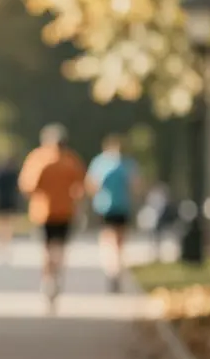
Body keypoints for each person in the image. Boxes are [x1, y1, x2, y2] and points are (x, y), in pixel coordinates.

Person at [18, 124, 86, 312]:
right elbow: (81, 186)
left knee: (46, 248)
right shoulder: (71, 160)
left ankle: (48, 279)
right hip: (65, 211)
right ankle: (56, 275)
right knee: (60, 247)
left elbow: (28, 186)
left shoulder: (38, 158)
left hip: (43, 212)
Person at [86, 133, 141, 293]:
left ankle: (111, 268)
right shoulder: (127, 164)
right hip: (123, 207)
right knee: (120, 241)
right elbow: (136, 185)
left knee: (107, 240)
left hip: (104, 207)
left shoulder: (99, 163)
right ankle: (117, 267)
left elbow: (91, 185)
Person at [0, 156, 21, 263]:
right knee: (7, 225)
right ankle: (4, 245)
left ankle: (1, 246)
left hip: (2, 202)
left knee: (2, 225)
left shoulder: (1, 175)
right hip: (9, 202)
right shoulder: (13, 175)